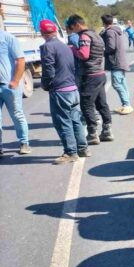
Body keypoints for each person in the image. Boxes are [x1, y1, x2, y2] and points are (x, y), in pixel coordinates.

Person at [39, 20, 90, 164]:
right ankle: (82, 148)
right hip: (72, 88)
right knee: (76, 120)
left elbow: (48, 70)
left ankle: (70, 152)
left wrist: (45, 85)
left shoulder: (47, 47)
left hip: (60, 91)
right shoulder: (65, 46)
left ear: (42, 33)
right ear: (55, 31)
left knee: (63, 122)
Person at [65, 14, 114, 145]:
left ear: (77, 25)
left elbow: (84, 54)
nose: (72, 30)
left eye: (71, 27)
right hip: (100, 73)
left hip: (90, 75)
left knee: (86, 104)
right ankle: (107, 130)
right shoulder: (97, 35)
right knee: (101, 103)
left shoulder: (84, 36)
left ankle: (92, 133)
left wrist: (72, 49)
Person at [0, 25, 31, 155]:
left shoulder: (8, 38)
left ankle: (24, 143)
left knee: (17, 115)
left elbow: (20, 60)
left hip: (8, 86)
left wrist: (15, 81)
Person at [101, 14, 133, 115]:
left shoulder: (110, 32)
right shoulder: (116, 30)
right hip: (120, 61)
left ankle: (126, 105)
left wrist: (103, 51)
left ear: (104, 23)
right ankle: (127, 104)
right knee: (122, 83)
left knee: (117, 84)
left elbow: (111, 47)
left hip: (116, 62)